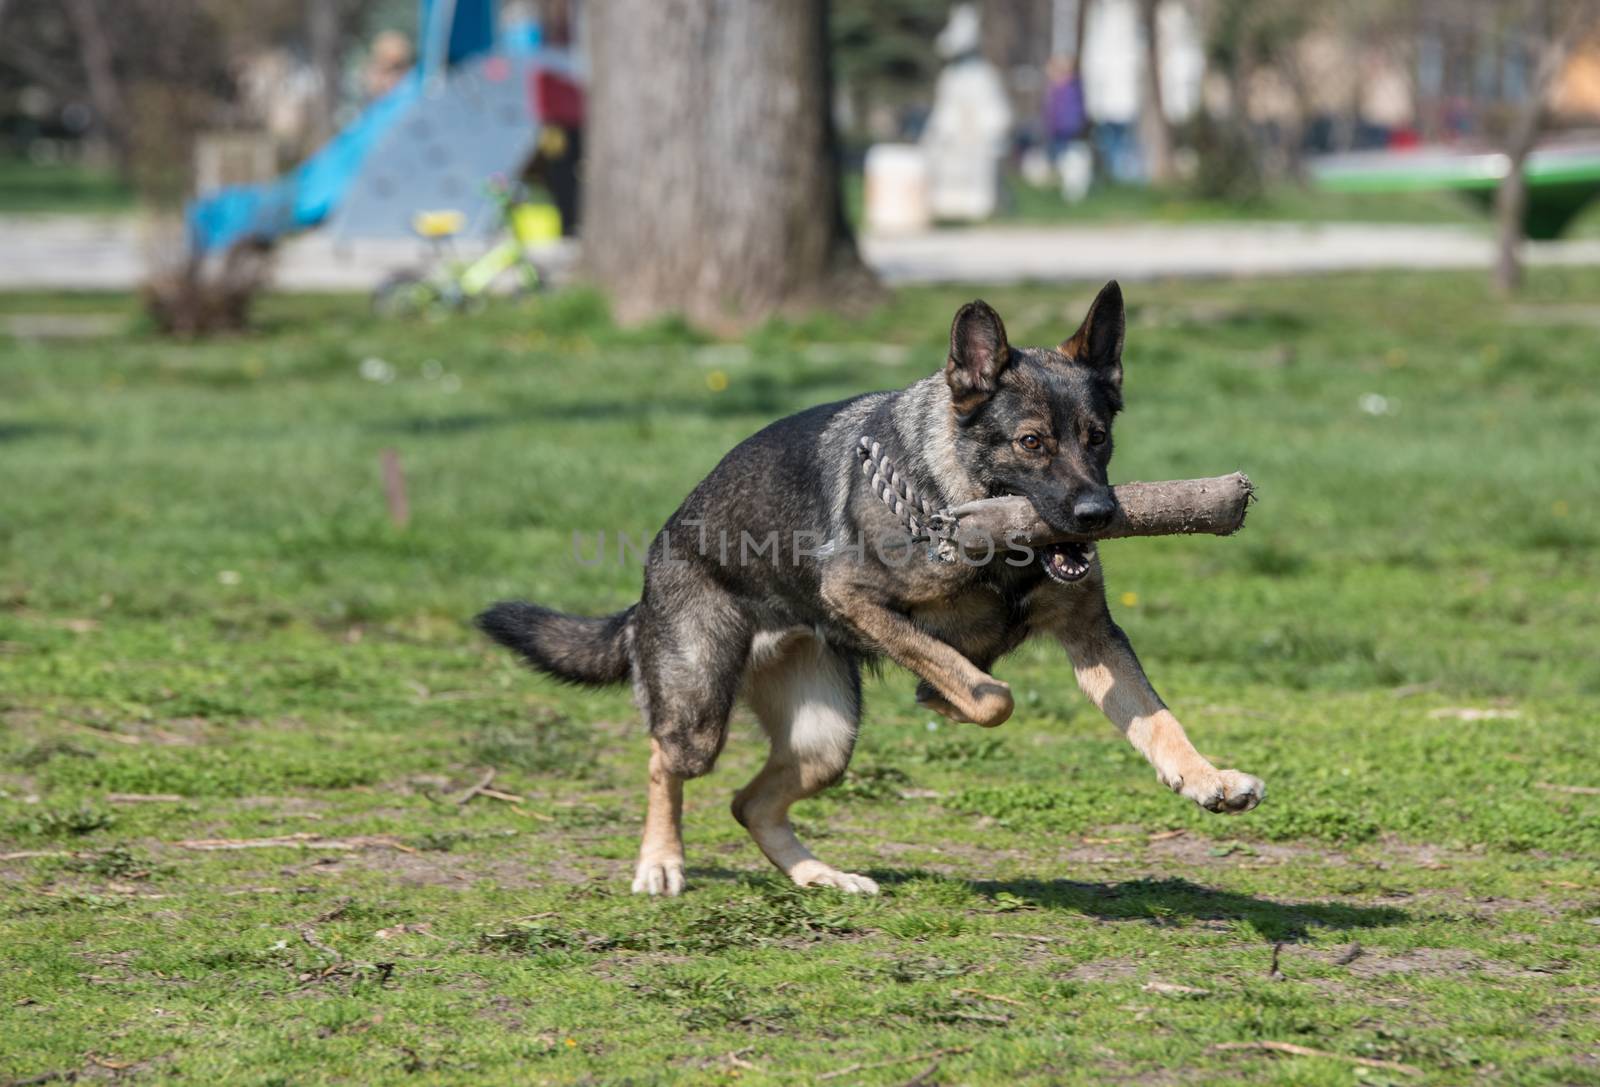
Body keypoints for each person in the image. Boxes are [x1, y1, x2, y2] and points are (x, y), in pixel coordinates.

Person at [1044, 55, 1092, 203]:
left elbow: (1071, 113)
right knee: (1063, 162)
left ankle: (1074, 193)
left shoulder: (1070, 89)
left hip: (1070, 132)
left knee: (1073, 162)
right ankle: (1069, 191)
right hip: (1060, 131)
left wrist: (1072, 128)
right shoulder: (1057, 90)